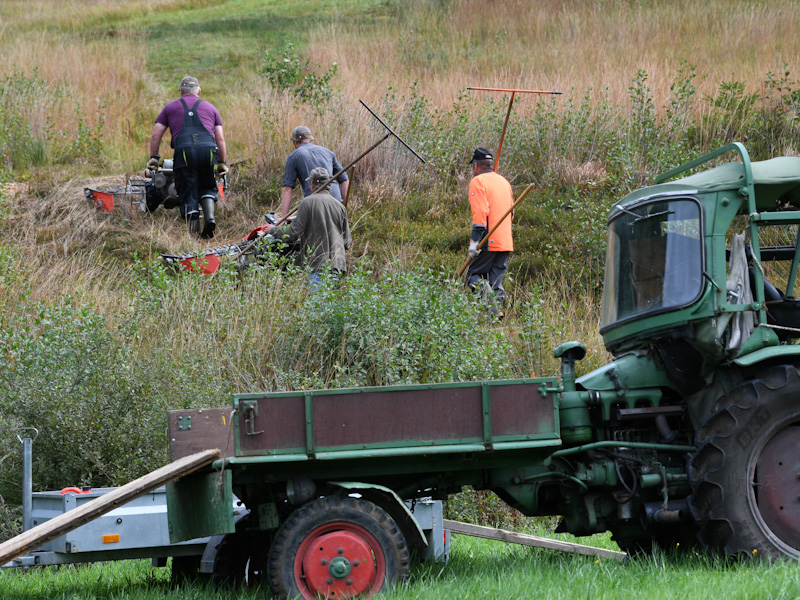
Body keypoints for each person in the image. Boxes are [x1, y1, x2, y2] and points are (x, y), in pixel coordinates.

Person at [148, 76, 227, 239]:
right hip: (209, 150)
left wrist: (154, 158)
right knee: (208, 185)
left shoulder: (170, 108)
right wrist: (221, 162)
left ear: (180, 91)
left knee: (187, 189)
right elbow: (220, 138)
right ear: (199, 91)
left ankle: (195, 237)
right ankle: (210, 218)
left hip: (184, 151)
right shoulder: (211, 108)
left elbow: (156, 134)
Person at [268, 167, 352, 290]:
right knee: (331, 307)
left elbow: (293, 233)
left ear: (312, 184)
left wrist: (272, 230)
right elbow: (347, 242)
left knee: (317, 306)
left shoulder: (307, 203)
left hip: (318, 265)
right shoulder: (340, 206)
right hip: (338, 265)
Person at [465, 147, 514, 312]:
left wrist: (475, 241)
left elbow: (480, 213)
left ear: (476, 166)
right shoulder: (504, 182)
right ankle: (497, 318)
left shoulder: (477, 182)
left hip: (488, 239)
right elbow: (511, 213)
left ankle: (493, 312)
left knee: (473, 276)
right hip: (505, 240)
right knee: (495, 281)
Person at [281, 126, 349, 218]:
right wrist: (343, 207)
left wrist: (283, 219)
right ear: (309, 139)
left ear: (295, 142)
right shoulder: (328, 152)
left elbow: (287, 190)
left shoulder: (293, 157)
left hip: (314, 206)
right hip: (336, 204)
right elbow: (345, 180)